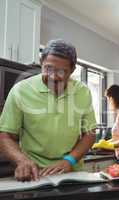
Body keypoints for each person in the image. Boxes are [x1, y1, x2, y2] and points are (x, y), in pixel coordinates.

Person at [0, 39, 97, 181]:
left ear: (72, 71)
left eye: (62, 71)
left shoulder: (83, 92)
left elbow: (89, 133)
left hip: (72, 172)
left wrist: (69, 160)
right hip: (34, 174)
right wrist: (21, 160)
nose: (53, 77)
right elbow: (6, 135)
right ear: (41, 62)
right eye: (48, 69)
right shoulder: (20, 90)